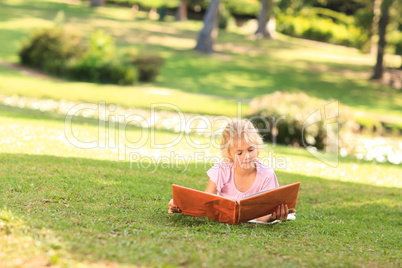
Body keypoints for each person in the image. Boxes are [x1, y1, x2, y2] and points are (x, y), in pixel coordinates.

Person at [168, 119, 295, 223]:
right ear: (229, 153)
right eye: (239, 152)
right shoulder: (221, 170)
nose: (246, 156)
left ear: (258, 147)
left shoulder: (266, 175)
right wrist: (179, 205)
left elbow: (262, 217)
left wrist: (273, 216)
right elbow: (205, 202)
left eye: (251, 150)